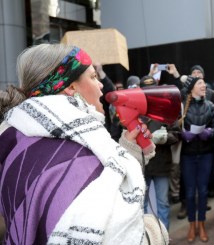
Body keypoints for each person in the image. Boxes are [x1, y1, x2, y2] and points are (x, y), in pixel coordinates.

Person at [0, 44, 160, 244]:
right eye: (93, 77)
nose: (101, 85)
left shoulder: (17, 138)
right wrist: (154, 233)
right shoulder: (75, 158)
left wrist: (128, 150)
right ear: (70, 87)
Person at [180, 76, 214, 243]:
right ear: (191, 88)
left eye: (204, 82)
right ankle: (192, 225)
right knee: (189, 193)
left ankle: (202, 224)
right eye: (200, 83)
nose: (204, 85)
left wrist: (210, 133)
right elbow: (174, 127)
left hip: (206, 154)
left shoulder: (211, 106)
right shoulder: (182, 108)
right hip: (188, 155)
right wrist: (183, 134)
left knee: (203, 191)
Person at [140, 77, 181, 231]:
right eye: (145, 89)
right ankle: (146, 237)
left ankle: (164, 236)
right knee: (141, 204)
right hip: (141, 164)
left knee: (162, 202)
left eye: (151, 89)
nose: (148, 93)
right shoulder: (134, 108)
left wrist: (164, 138)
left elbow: (176, 134)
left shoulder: (166, 109)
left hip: (161, 163)